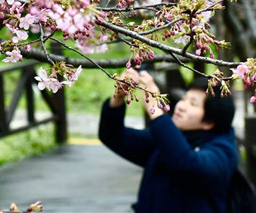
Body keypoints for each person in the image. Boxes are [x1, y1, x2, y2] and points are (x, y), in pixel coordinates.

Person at [99, 68, 238, 213]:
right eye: (184, 99)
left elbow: (188, 164)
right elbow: (113, 137)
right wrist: (118, 99)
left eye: (193, 104)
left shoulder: (223, 151)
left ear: (209, 122)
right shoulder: (170, 138)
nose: (181, 106)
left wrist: (156, 112)